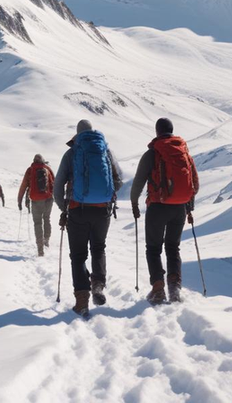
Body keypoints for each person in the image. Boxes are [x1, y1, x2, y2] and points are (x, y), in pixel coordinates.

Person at [54, 120, 122, 316]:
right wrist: (104, 196)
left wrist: (64, 209)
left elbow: (57, 186)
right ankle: (98, 284)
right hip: (102, 211)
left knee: (78, 255)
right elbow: (118, 179)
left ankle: (82, 300)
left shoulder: (72, 153)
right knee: (98, 248)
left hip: (77, 210)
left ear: (77, 134)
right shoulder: (105, 150)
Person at [130, 118, 200, 305]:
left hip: (157, 207)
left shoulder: (152, 153)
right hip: (179, 208)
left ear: (157, 131)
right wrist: (188, 206)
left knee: (153, 249)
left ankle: (158, 288)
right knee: (173, 248)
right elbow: (194, 182)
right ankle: (175, 289)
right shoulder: (183, 151)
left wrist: (134, 203)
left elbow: (138, 182)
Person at [18, 154, 55, 256]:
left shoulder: (30, 170)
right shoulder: (47, 169)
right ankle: (46, 240)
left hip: (36, 201)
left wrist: (19, 200)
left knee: (37, 223)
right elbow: (55, 183)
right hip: (48, 199)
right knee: (47, 219)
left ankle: (40, 249)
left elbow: (23, 186)